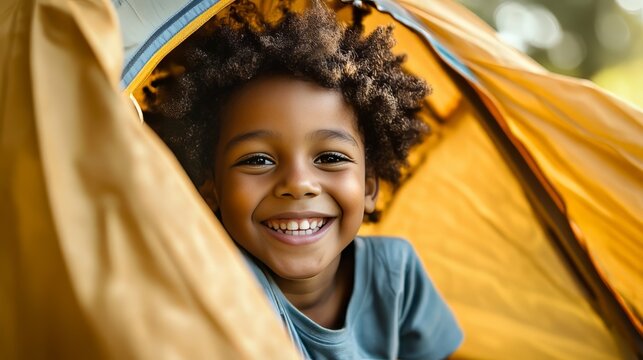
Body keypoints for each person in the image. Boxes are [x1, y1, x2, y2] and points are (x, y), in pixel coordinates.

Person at [143, 0, 463, 358]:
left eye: (329, 158)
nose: (297, 183)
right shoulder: (224, 288)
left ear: (369, 186)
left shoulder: (396, 274)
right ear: (211, 190)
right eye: (258, 160)